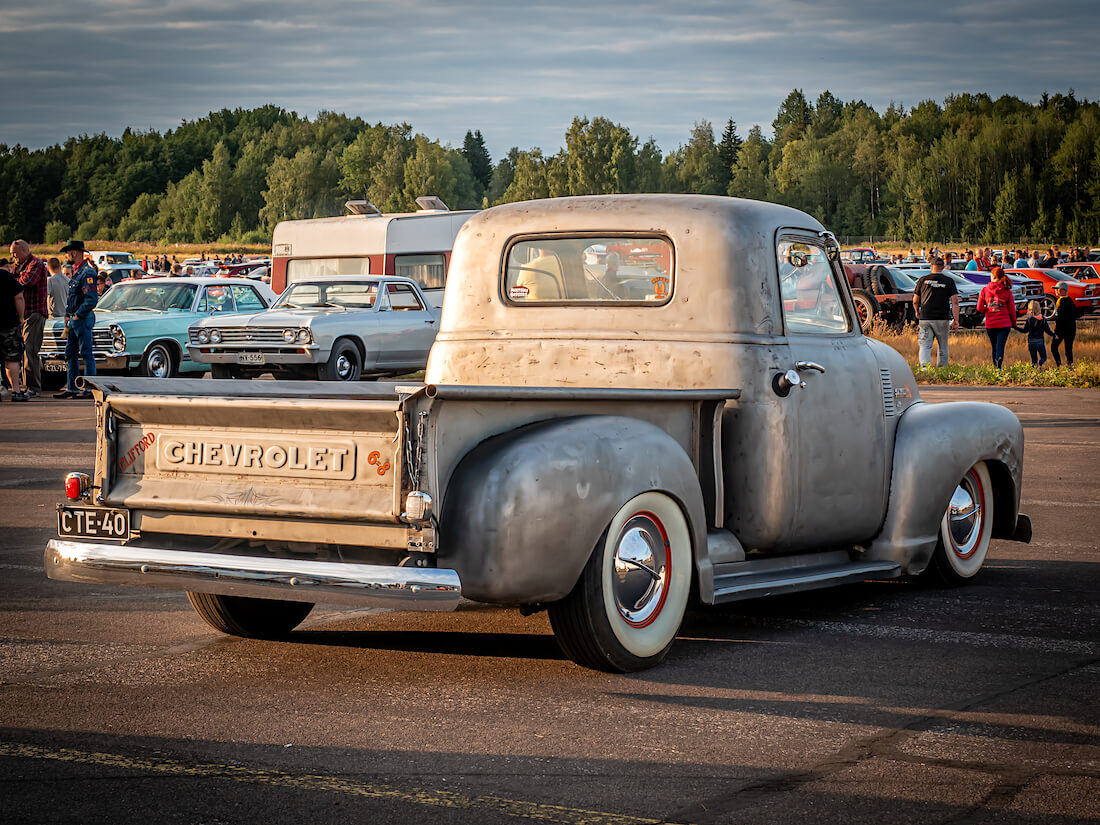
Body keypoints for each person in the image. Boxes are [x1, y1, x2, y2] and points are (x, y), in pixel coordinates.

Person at [55, 240, 98, 400]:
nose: (66, 256)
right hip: (74, 318)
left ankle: (89, 389)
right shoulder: (78, 271)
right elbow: (72, 297)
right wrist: (68, 313)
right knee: (70, 354)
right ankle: (72, 387)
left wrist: (78, 314)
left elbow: (91, 298)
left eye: (67, 253)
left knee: (86, 353)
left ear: (74, 253)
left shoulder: (87, 272)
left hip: (82, 318)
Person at [10, 239, 48, 397]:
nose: (13, 257)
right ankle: (27, 386)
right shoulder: (19, 266)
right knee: (24, 350)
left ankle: (33, 387)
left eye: (15, 253)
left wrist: (11, 282)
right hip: (24, 315)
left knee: (30, 351)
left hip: (34, 314)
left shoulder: (36, 264)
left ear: (24, 251)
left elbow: (26, 281)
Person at [912, 257, 960, 366]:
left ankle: (925, 369)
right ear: (943, 267)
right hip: (942, 318)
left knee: (925, 345)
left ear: (931, 266)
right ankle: (942, 370)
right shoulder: (949, 281)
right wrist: (956, 320)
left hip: (926, 317)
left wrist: (917, 311)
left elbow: (915, 300)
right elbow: (955, 302)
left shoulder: (922, 280)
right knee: (943, 346)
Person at [976, 266, 1015, 369]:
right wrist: (1014, 323)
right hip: (1004, 323)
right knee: (1000, 347)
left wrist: (988, 310)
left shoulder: (984, 290)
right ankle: (999, 367)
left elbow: (979, 307)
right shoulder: (1007, 291)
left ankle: (995, 367)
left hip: (991, 323)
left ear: (992, 276)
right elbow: (1012, 309)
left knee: (994, 346)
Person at [0, 263, 28, 401]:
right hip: (8, 323)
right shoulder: (7, 277)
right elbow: (19, 297)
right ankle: (16, 391)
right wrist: (21, 317)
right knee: (12, 358)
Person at [1050, 282, 1086, 367]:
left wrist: (1056, 332)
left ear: (1062, 290)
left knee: (1053, 347)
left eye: (1056, 289)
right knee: (1068, 349)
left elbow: (1060, 318)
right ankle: (1070, 365)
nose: (1055, 291)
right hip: (1071, 329)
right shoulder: (1070, 300)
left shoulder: (1061, 301)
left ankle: (1059, 365)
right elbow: (1075, 314)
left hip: (1062, 330)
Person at [1014, 301, 1054, 367]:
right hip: (1040, 341)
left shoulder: (1029, 320)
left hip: (1031, 342)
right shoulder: (1043, 320)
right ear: (1039, 309)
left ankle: (1034, 371)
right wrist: (1054, 335)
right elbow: (1048, 330)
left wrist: (1015, 327)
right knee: (1044, 357)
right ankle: (1040, 364)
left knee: (1034, 360)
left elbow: (1024, 331)